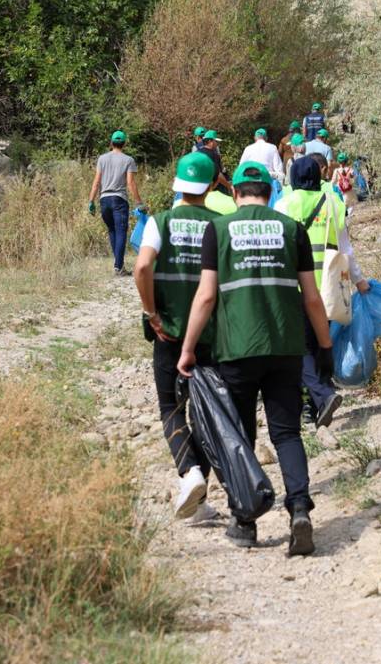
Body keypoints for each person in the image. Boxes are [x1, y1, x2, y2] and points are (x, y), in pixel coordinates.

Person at [177, 161, 333, 557]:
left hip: (238, 349)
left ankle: (244, 521)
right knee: (287, 433)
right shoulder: (291, 229)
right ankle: (299, 509)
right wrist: (325, 345)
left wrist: (189, 348)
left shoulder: (219, 230)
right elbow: (312, 297)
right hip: (285, 345)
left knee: (241, 437)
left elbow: (207, 296)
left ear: (235, 193)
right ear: (269, 192)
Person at [134, 152, 225, 523]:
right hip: (211, 333)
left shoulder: (161, 222)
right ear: (213, 184)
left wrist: (151, 311)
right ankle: (200, 497)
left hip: (168, 331)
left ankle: (190, 473)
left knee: (170, 407)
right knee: (204, 408)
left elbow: (142, 266)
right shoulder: (221, 224)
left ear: (177, 183)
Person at [276, 156, 369, 435]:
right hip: (328, 286)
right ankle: (320, 400)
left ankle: (315, 401)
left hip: (296, 286)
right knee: (322, 343)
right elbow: (345, 249)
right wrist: (359, 280)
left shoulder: (284, 204)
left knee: (301, 347)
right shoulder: (333, 203)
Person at [89, 130, 146, 276]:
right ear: (124, 143)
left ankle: (118, 264)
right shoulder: (128, 160)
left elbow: (96, 182)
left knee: (112, 230)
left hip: (104, 200)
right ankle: (118, 267)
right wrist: (139, 202)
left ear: (111, 143)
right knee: (121, 232)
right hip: (119, 200)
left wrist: (91, 201)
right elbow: (130, 183)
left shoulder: (102, 159)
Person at [199, 129, 234, 195]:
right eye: (216, 141)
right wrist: (230, 187)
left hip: (200, 189)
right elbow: (218, 175)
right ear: (210, 141)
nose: (217, 144)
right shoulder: (214, 155)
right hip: (215, 191)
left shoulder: (197, 153)